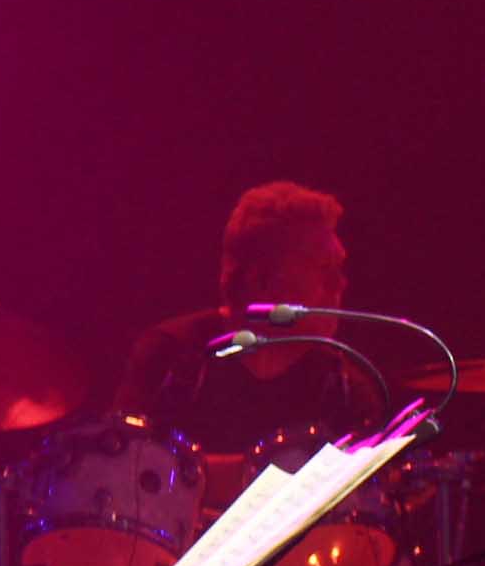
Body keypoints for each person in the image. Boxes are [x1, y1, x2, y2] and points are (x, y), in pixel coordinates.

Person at [112, 181, 374, 459]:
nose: (340, 283)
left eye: (339, 268)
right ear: (260, 280)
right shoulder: (173, 358)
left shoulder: (343, 386)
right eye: (324, 269)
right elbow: (119, 463)